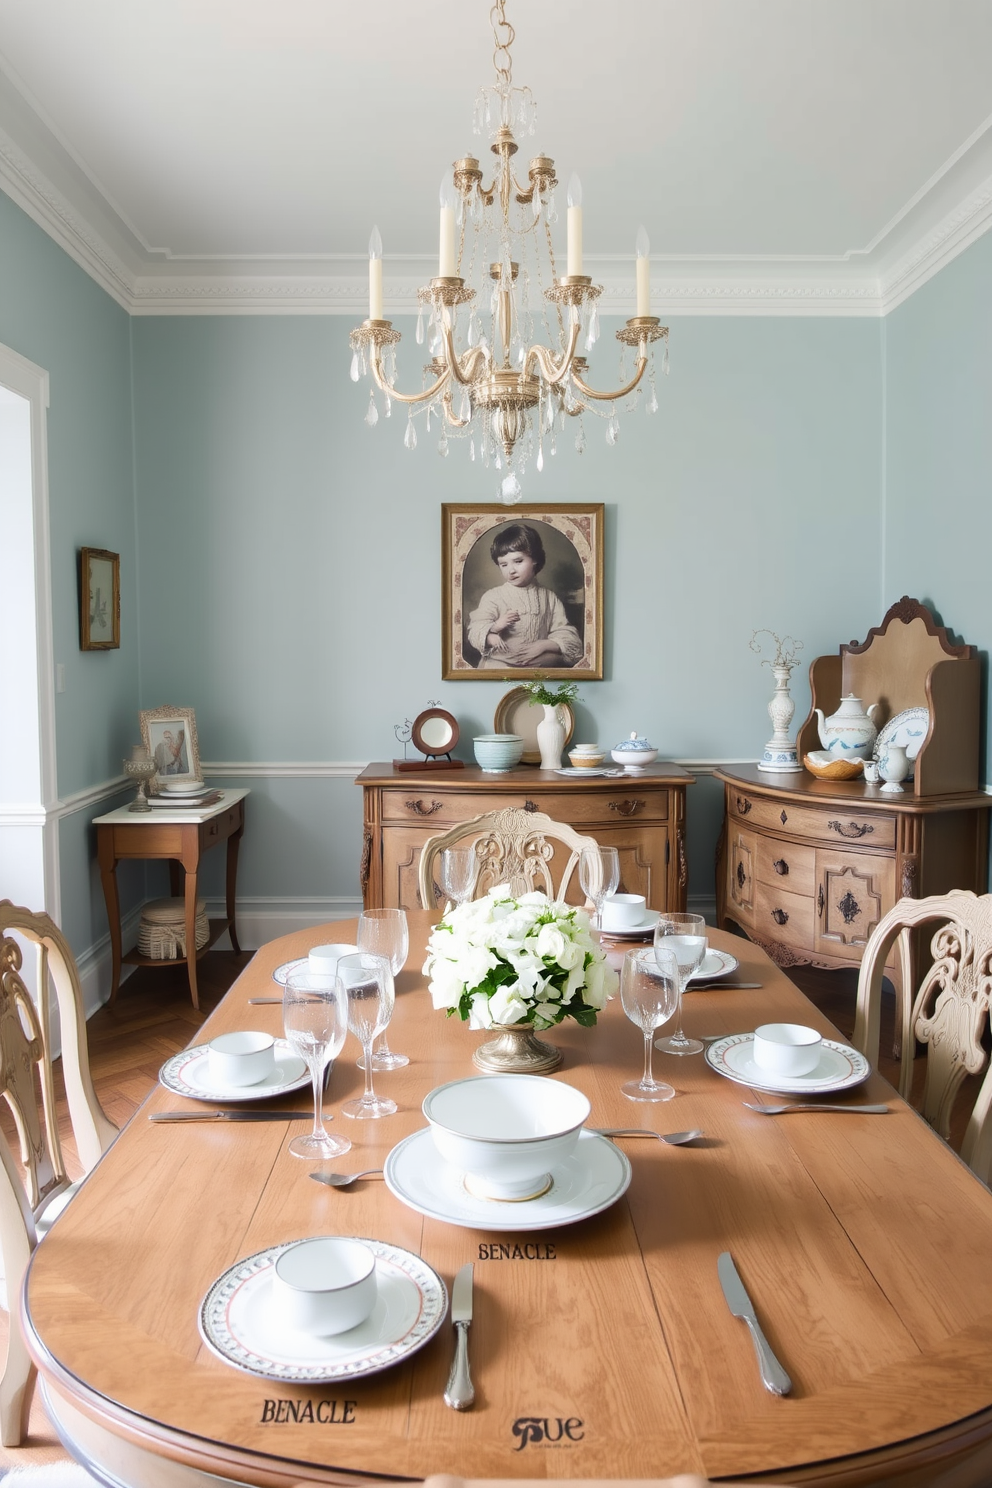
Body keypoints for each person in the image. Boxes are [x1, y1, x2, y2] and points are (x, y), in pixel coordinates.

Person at [466, 523, 582, 669]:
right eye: (504, 564)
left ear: (534, 559)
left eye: (518, 561)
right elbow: (476, 628)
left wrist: (545, 645)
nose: (511, 570)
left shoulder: (549, 597)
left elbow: (565, 633)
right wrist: (492, 633)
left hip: (535, 665)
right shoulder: (493, 596)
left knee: (552, 662)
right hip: (501, 664)